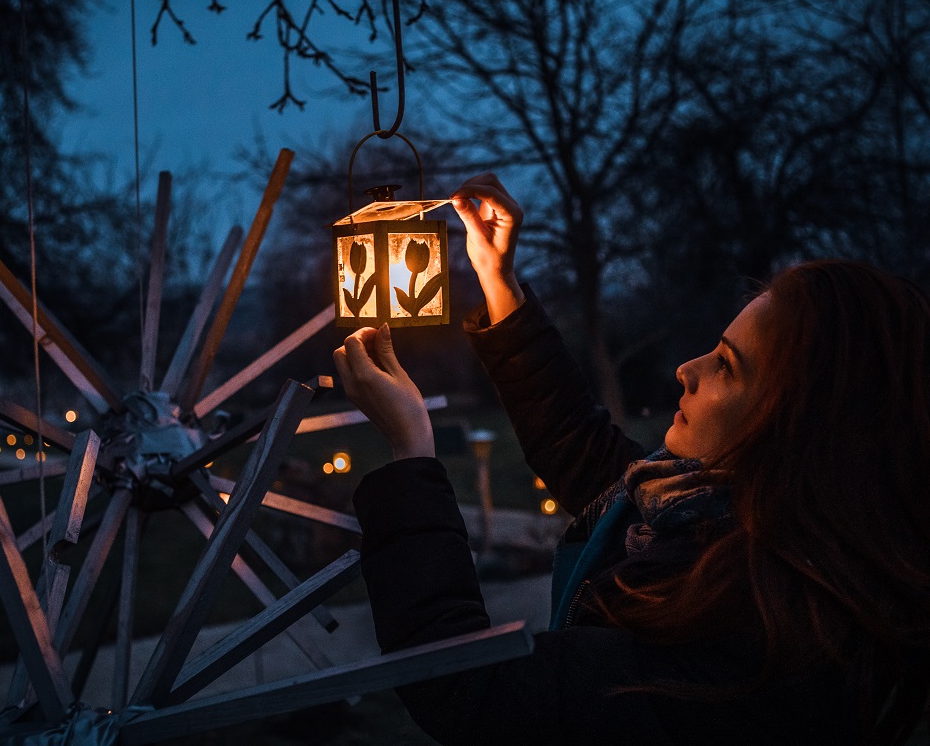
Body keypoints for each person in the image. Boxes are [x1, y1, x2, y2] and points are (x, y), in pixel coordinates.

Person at [333, 173, 930, 745]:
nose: (686, 370)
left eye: (726, 365)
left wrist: (412, 448)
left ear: (803, 426)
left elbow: (473, 690)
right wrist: (499, 284)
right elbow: (587, 459)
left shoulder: (758, 647)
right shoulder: (709, 521)